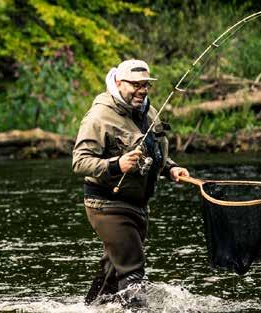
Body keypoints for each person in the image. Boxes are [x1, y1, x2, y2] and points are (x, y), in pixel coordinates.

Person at [72, 59, 189, 305]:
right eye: (135, 84)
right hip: (107, 205)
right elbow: (80, 162)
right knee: (133, 272)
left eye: (145, 84)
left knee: (112, 273)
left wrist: (171, 168)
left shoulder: (148, 110)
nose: (142, 90)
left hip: (137, 204)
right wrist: (117, 165)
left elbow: (153, 150)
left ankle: (91, 309)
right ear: (118, 82)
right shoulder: (99, 116)